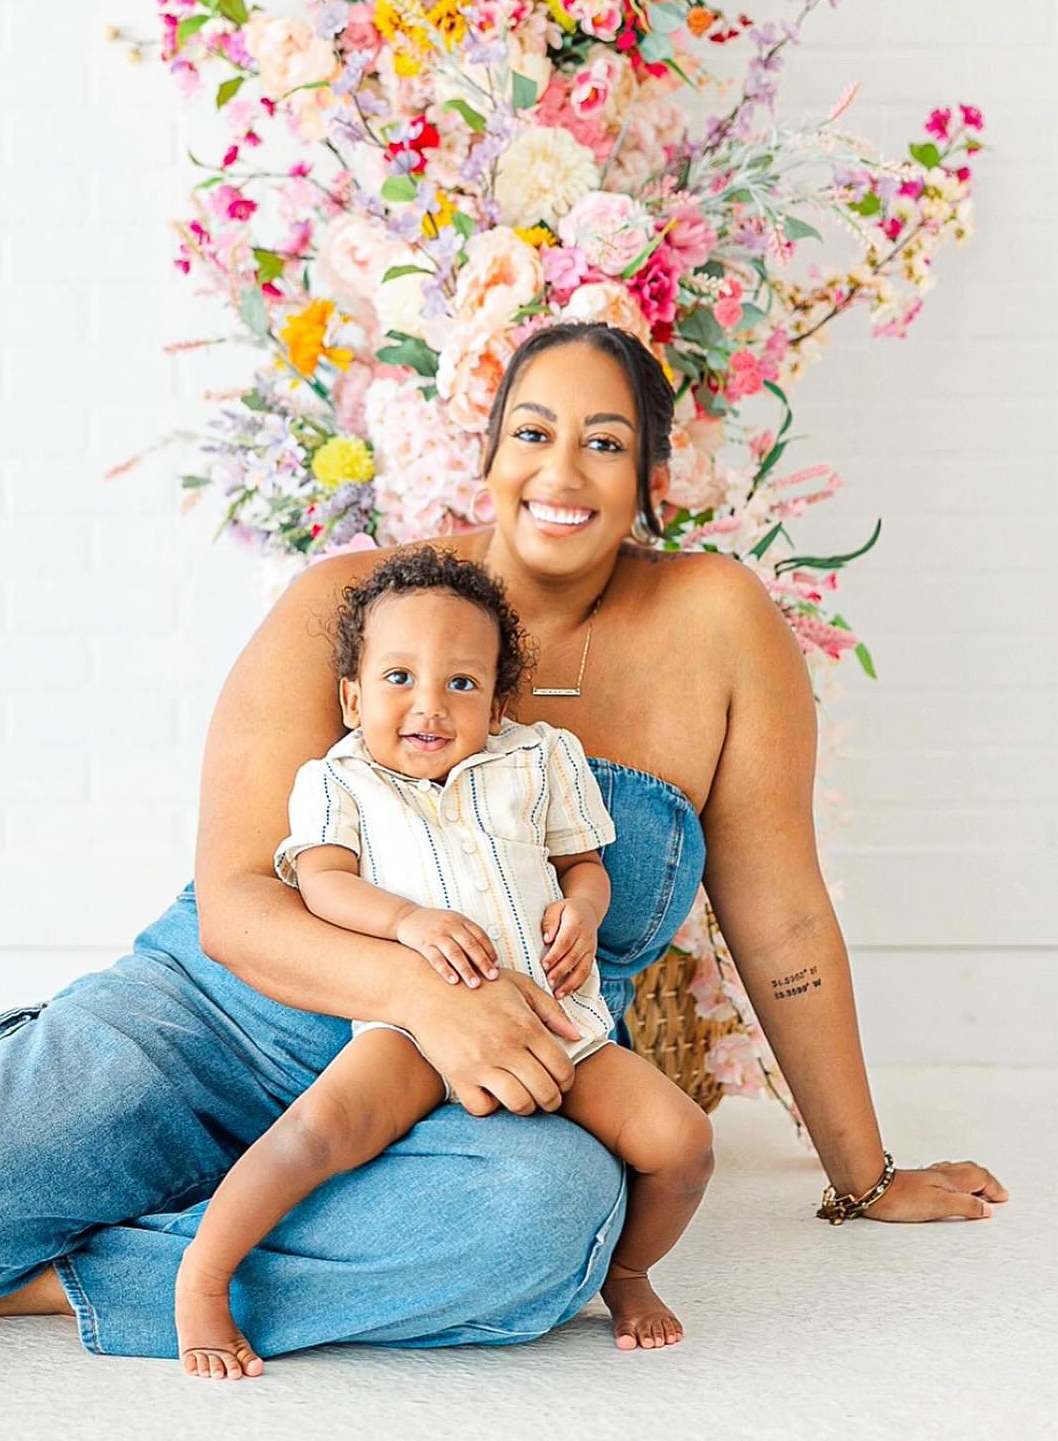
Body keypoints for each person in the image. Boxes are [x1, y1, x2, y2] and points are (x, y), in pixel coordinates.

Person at [0, 321, 1009, 1364]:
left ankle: (56, 1276)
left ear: (652, 476)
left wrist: (863, 1172)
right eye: (532, 435)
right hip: (224, 1019)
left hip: (508, 1071)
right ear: (488, 453)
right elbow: (235, 902)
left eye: (604, 444)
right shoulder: (347, 605)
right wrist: (411, 993)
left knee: (536, 1229)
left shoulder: (720, 625)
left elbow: (778, 918)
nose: (561, 476)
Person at [175, 547, 709, 1378]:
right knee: (320, 1132)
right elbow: (321, 883)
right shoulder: (341, 780)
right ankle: (203, 1282)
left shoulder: (537, 760)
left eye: (461, 684)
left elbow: (584, 863)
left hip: (554, 1019)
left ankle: (629, 1272)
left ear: (497, 703)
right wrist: (409, 922)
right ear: (352, 696)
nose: (429, 705)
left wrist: (584, 910)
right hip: (412, 1024)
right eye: (398, 678)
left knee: (682, 1141)